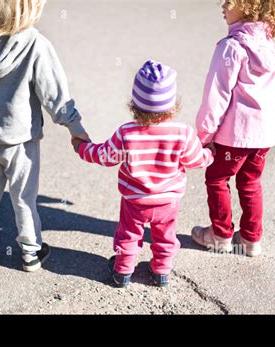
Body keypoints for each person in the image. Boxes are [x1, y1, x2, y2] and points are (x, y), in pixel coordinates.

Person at [0, 0, 90, 272]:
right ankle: (30, 252)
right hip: (21, 143)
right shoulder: (34, 43)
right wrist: (75, 127)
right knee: (24, 198)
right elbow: (54, 94)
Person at [72, 61, 214, 287]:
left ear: (135, 103)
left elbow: (104, 156)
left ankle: (122, 272)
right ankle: (161, 272)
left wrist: (81, 148)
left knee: (128, 234)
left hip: (135, 201)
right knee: (165, 235)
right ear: (173, 104)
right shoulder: (182, 132)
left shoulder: (127, 132)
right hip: (168, 201)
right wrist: (210, 153)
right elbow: (196, 160)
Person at [192, 0, 275, 256]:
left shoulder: (232, 48)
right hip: (264, 133)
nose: (222, 6)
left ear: (248, 5)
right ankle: (250, 239)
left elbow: (216, 97)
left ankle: (221, 234)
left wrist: (204, 136)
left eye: (228, 1)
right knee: (250, 182)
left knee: (216, 178)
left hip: (233, 135)